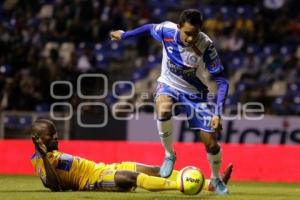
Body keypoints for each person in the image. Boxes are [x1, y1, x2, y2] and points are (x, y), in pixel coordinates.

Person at [110, 9, 229, 194]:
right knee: (163, 108)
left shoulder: (206, 45)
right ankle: (169, 154)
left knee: (211, 144)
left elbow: (222, 81)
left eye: (195, 34)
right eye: (188, 33)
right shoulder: (166, 30)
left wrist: (218, 113)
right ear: (179, 27)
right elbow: (149, 28)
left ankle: (216, 179)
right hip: (168, 84)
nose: (191, 39)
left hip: (195, 94)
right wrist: (125, 35)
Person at [31, 119, 232, 193]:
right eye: (51, 135)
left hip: (105, 167)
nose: (56, 137)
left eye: (56, 133)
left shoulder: (52, 152)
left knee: (156, 169)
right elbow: (52, 186)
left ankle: (210, 185)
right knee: (133, 178)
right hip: (94, 181)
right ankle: (182, 185)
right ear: (38, 138)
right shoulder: (40, 160)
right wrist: (42, 155)